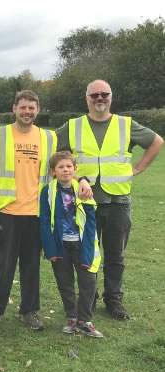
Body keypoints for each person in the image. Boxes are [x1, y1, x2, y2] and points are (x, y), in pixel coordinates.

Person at [56, 80, 164, 320]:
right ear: (87, 99)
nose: (99, 99)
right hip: (84, 204)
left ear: (111, 97)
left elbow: (156, 142)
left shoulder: (126, 125)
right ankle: (89, 297)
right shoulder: (73, 126)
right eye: (94, 95)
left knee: (116, 255)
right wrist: (76, 176)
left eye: (104, 94)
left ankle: (114, 299)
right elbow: (54, 155)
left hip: (118, 201)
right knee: (87, 254)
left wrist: (138, 168)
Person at [0, 90, 68, 330]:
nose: (27, 112)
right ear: (14, 108)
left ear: (38, 109)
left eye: (31, 108)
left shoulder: (49, 138)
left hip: (37, 213)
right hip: (6, 211)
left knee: (32, 265)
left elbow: (63, 168)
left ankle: (29, 311)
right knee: (3, 264)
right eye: (23, 107)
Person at [40, 151, 103, 338]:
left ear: (75, 169)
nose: (65, 170)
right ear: (53, 171)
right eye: (61, 167)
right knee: (65, 283)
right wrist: (49, 248)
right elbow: (44, 220)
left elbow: (91, 220)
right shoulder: (47, 191)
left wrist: (90, 247)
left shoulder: (84, 190)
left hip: (82, 245)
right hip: (60, 246)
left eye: (69, 166)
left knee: (88, 282)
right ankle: (71, 317)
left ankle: (85, 319)